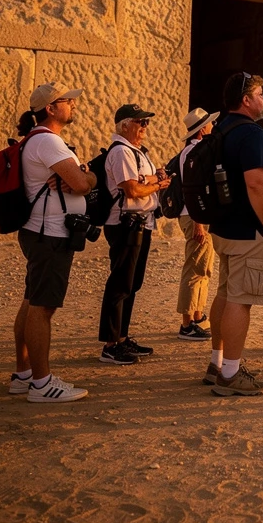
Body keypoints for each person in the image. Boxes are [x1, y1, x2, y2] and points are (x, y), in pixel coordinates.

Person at [10, 83, 96, 403]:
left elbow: (79, 178)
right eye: (67, 101)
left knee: (32, 302)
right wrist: (84, 174)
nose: (73, 105)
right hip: (50, 236)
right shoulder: (49, 141)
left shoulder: (34, 140)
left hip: (38, 232)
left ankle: (24, 375)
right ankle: (42, 384)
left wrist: (83, 173)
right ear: (50, 108)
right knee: (42, 308)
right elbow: (81, 184)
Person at [206, 72, 263, 396]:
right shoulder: (250, 132)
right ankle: (230, 375)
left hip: (225, 226)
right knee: (241, 300)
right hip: (248, 230)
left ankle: (218, 363)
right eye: (260, 94)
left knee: (225, 293)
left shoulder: (221, 129)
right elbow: (255, 182)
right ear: (246, 100)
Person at [97, 103, 169, 366]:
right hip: (125, 223)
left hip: (140, 223)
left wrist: (150, 180)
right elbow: (131, 189)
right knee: (120, 283)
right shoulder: (121, 152)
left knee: (132, 283)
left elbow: (142, 182)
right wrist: (158, 184)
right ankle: (110, 344)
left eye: (146, 122)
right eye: (141, 122)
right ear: (125, 125)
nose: (145, 127)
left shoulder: (136, 152)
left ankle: (122, 337)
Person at [175, 107, 219, 341]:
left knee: (203, 268)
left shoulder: (192, 151)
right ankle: (186, 324)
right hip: (195, 216)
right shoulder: (195, 153)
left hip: (198, 215)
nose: (212, 126)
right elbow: (193, 189)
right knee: (194, 269)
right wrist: (198, 223)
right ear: (202, 129)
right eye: (209, 124)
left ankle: (198, 316)